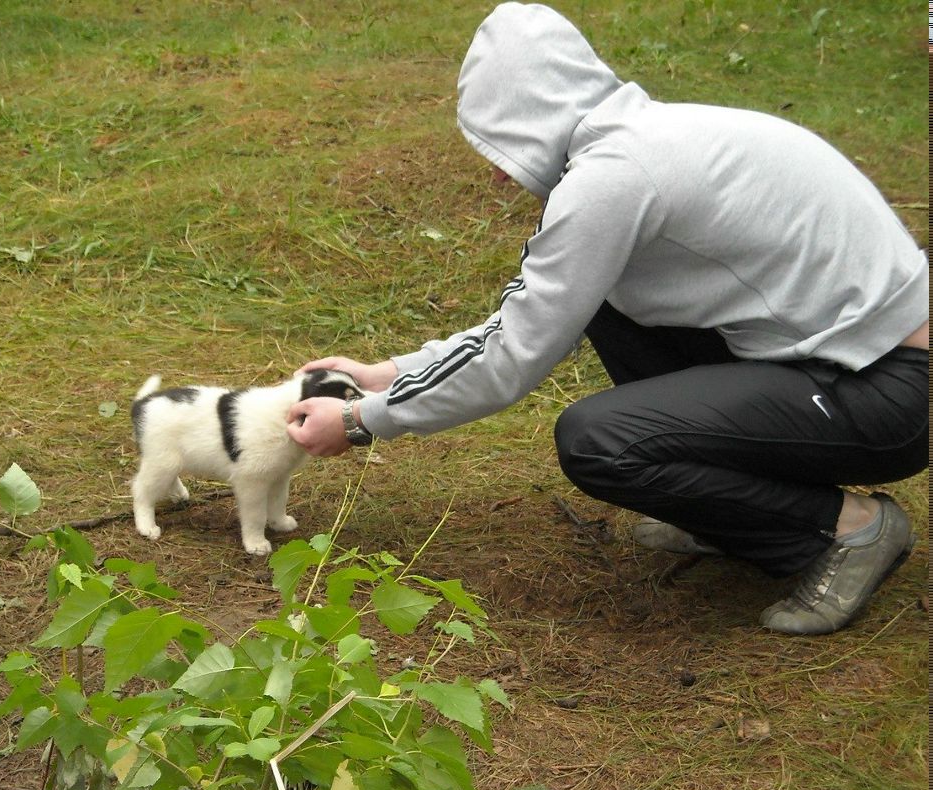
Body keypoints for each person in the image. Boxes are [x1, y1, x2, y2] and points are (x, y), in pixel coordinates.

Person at [286, 2, 929, 635]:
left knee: (601, 443)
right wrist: (389, 372)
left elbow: (513, 355)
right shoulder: (645, 138)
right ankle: (728, 512)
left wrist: (361, 421)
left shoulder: (613, 181)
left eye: (500, 144)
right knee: (606, 307)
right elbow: (531, 310)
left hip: (890, 391)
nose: (502, 172)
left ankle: (850, 526)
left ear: (526, 121)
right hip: (851, 358)